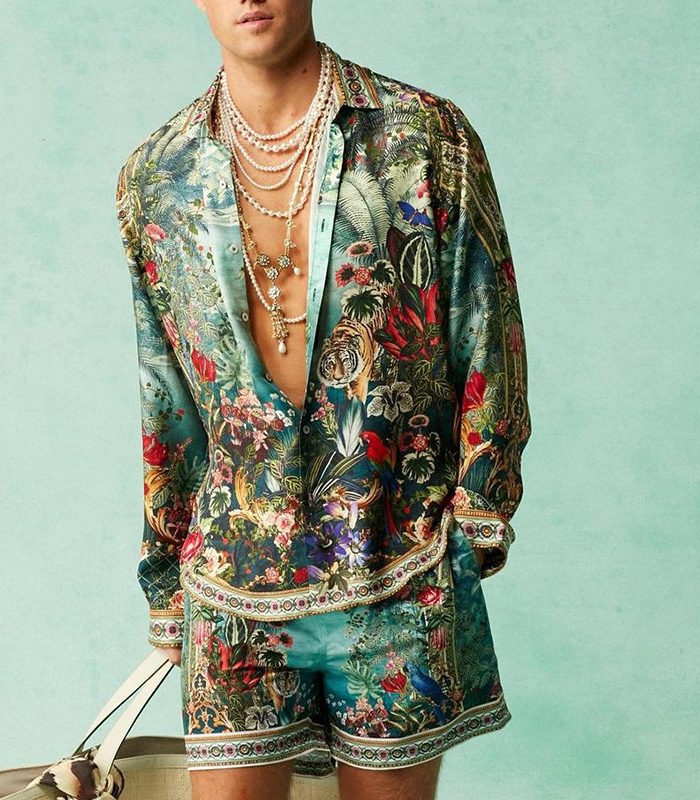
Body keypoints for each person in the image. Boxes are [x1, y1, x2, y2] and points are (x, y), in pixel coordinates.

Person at [115, 2, 532, 798]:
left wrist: (475, 520)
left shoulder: (425, 136)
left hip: (395, 570)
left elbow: (488, 329)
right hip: (232, 581)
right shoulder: (154, 177)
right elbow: (164, 394)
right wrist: (167, 580)